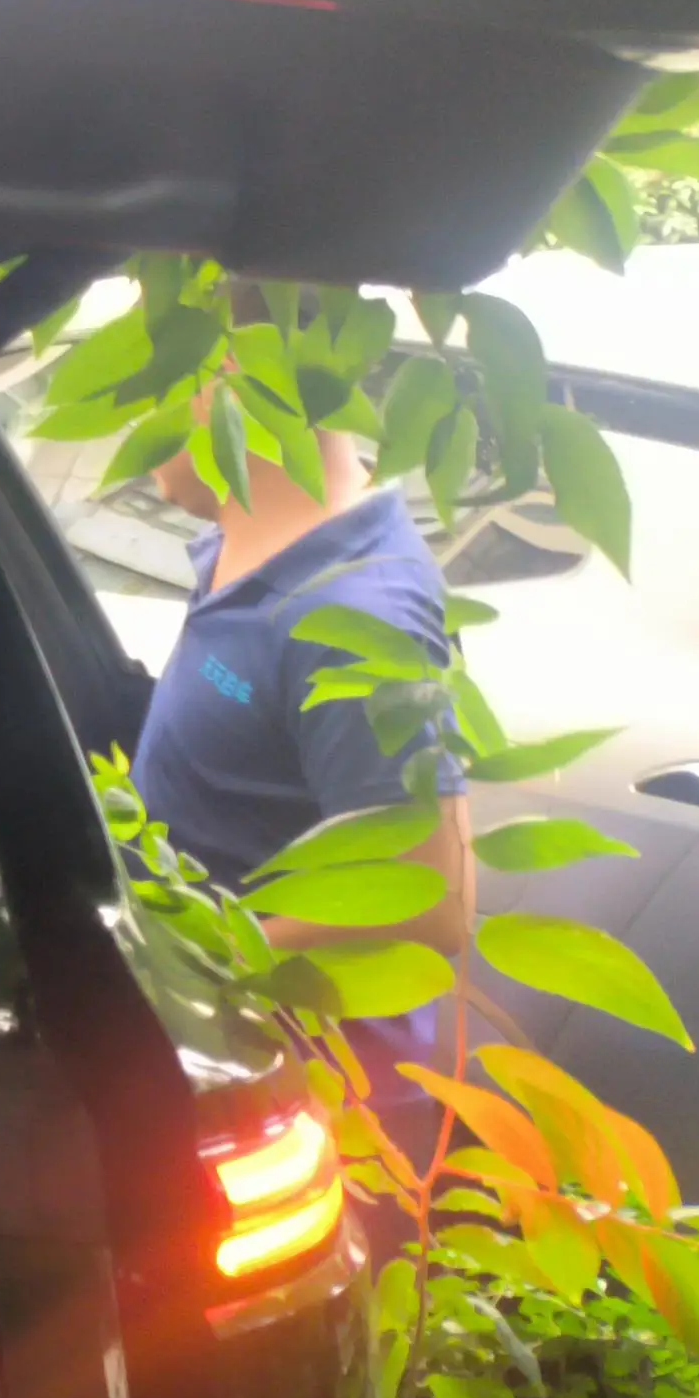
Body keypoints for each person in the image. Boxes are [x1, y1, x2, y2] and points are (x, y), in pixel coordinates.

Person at [132, 413, 475, 1146]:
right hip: (231, 1069)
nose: (133, 420)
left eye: (147, 381)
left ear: (227, 372)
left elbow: (433, 901)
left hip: (317, 1117)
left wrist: (194, 963)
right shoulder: (253, 553)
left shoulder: (353, 616)